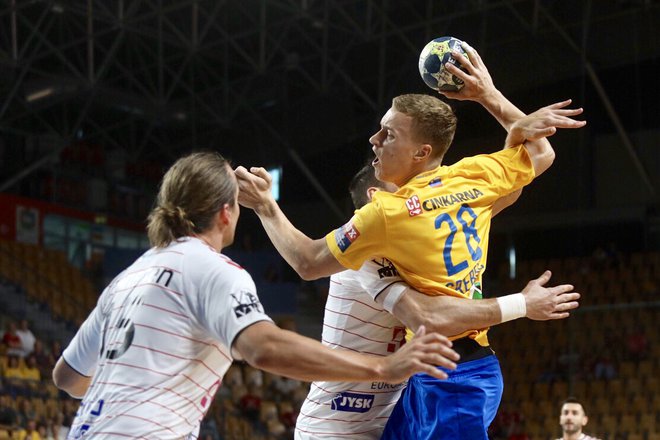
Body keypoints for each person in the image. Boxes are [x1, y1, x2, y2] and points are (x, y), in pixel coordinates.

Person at [236, 42, 586, 440]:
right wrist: (488, 94)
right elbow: (540, 153)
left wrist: (265, 207)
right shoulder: (474, 176)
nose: (374, 139)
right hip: (429, 371)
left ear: (421, 151)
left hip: (456, 371)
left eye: (388, 134)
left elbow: (307, 261)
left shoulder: (387, 213)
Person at [51, 152, 458, 439]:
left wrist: (132, 386)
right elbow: (263, 348)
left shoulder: (126, 278)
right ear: (226, 212)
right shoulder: (213, 269)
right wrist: (383, 369)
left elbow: (67, 377)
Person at [295, 163, 580, 439]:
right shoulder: (364, 255)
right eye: (406, 187)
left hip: (403, 401)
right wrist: (522, 304)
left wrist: (513, 127)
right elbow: (426, 316)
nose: (420, 193)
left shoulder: (424, 237)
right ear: (376, 199)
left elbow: (512, 186)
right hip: (335, 423)